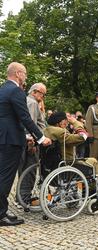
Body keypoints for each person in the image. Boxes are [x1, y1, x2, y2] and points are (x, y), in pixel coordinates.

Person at [0, 62, 51, 227]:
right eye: (25, 74)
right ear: (18, 73)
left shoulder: (3, 89)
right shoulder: (15, 90)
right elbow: (25, 118)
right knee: (6, 178)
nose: (26, 78)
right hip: (11, 141)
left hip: (5, 137)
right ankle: (1, 215)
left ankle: (3, 208)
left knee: (3, 176)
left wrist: (27, 136)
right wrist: (41, 138)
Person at [18, 83, 47, 206]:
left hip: (26, 140)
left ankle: (21, 197)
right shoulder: (32, 103)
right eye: (42, 94)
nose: (43, 97)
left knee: (24, 169)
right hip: (31, 141)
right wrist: (32, 142)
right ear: (35, 92)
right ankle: (24, 198)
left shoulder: (27, 101)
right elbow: (30, 124)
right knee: (29, 170)